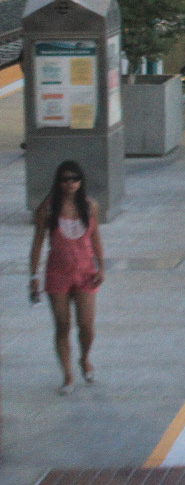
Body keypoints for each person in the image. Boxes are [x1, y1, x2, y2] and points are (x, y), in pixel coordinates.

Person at [29, 160, 104, 395]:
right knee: (62, 326)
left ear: (81, 182)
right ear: (58, 182)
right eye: (65, 179)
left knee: (86, 327)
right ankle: (68, 374)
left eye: (74, 178)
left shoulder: (90, 207)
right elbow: (38, 243)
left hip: (85, 274)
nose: (70, 183)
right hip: (57, 274)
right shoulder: (48, 209)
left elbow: (96, 240)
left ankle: (84, 359)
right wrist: (33, 276)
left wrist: (101, 267)